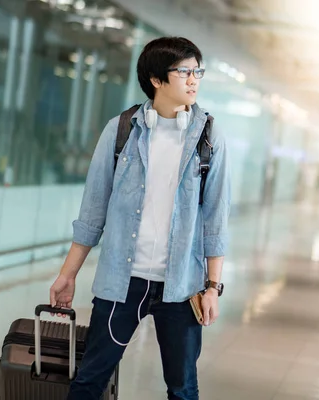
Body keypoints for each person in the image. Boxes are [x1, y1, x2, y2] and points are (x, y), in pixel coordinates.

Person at [49, 37, 231, 400]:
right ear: (156, 79)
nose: (194, 79)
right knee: (88, 380)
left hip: (180, 288)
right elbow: (92, 211)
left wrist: (213, 287)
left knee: (182, 388)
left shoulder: (209, 137)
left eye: (198, 71)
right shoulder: (122, 131)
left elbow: (215, 218)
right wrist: (67, 274)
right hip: (122, 280)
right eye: (185, 72)